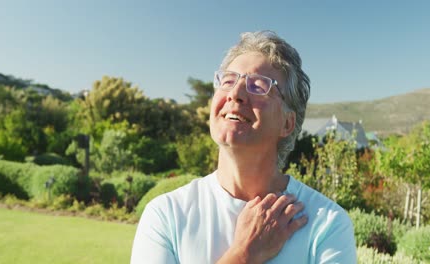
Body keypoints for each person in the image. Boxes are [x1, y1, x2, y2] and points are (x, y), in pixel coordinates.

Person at [131, 31, 357, 263]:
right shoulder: (166, 214)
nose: (235, 94)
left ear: (287, 123)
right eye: (228, 81)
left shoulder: (327, 224)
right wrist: (244, 254)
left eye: (258, 86)